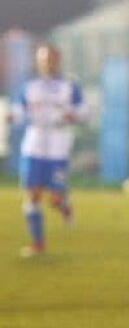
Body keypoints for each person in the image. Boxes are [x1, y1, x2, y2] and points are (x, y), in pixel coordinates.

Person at [13, 43, 84, 257]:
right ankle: (38, 243)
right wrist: (12, 116)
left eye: (51, 58)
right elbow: (19, 109)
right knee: (32, 195)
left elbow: (84, 110)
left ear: (58, 60)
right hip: (34, 143)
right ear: (38, 61)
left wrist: (75, 115)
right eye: (44, 59)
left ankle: (63, 204)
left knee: (53, 198)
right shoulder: (30, 85)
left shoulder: (69, 86)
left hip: (58, 143)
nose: (48, 62)